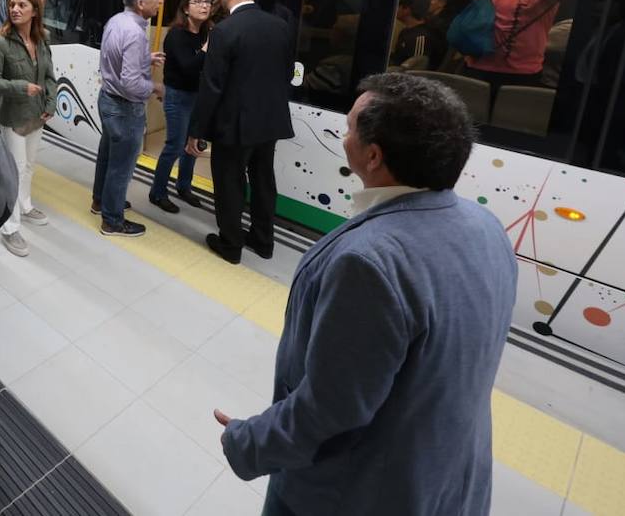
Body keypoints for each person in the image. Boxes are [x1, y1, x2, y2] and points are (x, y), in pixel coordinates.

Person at [214, 73, 516, 516]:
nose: (344, 133)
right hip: (445, 482)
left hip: (353, 494)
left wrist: (248, 441)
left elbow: (332, 411)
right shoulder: (486, 227)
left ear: (373, 156)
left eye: (352, 126)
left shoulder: (370, 263)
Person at [188, 0, 294, 262]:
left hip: (235, 124)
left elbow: (212, 87)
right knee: (263, 180)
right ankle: (263, 241)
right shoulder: (280, 26)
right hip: (271, 120)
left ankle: (231, 245)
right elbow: (286, 73)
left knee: (230, 182)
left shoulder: (224, 31)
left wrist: (197, 131)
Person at [0, 0, 57, 257]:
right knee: (13, 170)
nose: (15, 9)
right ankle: (10, 227)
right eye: (12, 4)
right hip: (13, 114)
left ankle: (25, 206)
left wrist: (50, 104)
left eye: (22, 5)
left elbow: (50, 75)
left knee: (29, 165)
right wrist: (20, 87)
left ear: (35, 11)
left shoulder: (43, 38)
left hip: (37, 114)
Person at [91, 0, 164, 237]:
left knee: (108, 156)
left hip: (108, 100)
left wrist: (145, 58)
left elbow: (119, 58)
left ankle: (100, 201)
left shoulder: (117, 20)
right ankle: (112, 220)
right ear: (142, 3)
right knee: (121, 167)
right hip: (125, 109)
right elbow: (132, 83)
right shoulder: (136, 34)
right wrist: (155, 88)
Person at [149, 0, 212, 214]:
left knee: (192, 145)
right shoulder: (176, 34)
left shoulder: (206, 32)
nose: (204, 6)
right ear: (186, 8)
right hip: (177, 96)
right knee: (175, 146)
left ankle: (184, 186)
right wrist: (206, 51)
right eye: (198, 2)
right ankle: (157, 192)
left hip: (198, 95)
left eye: (207, 2)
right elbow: (187, 67)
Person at [390, 0, 446, 70]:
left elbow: (416, 70)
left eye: (398, 6)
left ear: (406, 10)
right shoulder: (406, 31)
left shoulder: (420, 37)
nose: (395, 10)